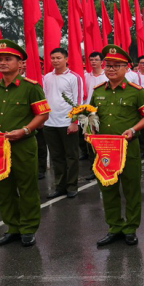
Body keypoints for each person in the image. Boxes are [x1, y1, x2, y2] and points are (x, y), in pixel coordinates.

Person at [0, 39, 50, 247]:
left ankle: (28, 229)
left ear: (20, 63)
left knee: (27, 188)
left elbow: (43, 114)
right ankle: (12, 227)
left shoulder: (31, 88)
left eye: (8, 59)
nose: (2, 63)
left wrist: (26, 130)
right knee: (3, 188)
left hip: (23, 145)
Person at [90, 44, 144, 246]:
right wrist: (88, 128)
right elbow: (92, 115)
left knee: (131, 189)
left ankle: (130, 228)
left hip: (128, 148)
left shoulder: (136, 92)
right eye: (108, 65)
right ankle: (114, 227)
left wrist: (134, 130)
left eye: (116, 66)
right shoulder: (98, 91)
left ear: (126, 68)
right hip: (104, 149)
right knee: (108, 188)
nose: (111, 69)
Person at [42, 48, 83, 199]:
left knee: (71, 156)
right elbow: (44, 98)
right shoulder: (46, 77)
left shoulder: (74, 77)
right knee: (56, 156)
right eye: (52, 58)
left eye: (58, 58)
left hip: (67, 122)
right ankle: (60, 186)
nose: (55, 61)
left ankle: (72, 186)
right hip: (50, 123)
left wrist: (74, 122)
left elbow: (78, 101)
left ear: (66, 59)